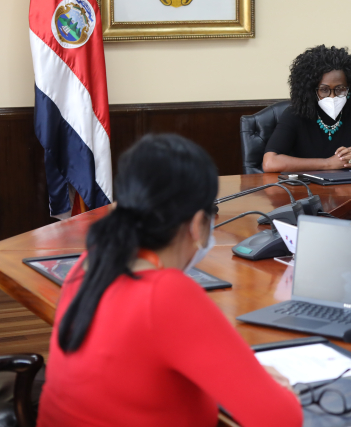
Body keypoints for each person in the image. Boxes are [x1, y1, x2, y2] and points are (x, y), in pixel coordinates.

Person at [37, 134, 302, 427]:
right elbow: (282, 419)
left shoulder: (93, 260)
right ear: (196, 224)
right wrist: (268, 384)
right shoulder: (167, 294)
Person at [263, 45, 351, 173]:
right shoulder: (295, 114)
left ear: (350, 88)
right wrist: (328, 163)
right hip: (306, 188)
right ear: (311, 90)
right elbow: (270, 162)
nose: (332, 96)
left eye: (340, 89)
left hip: (347, 188)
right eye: (324, 90)